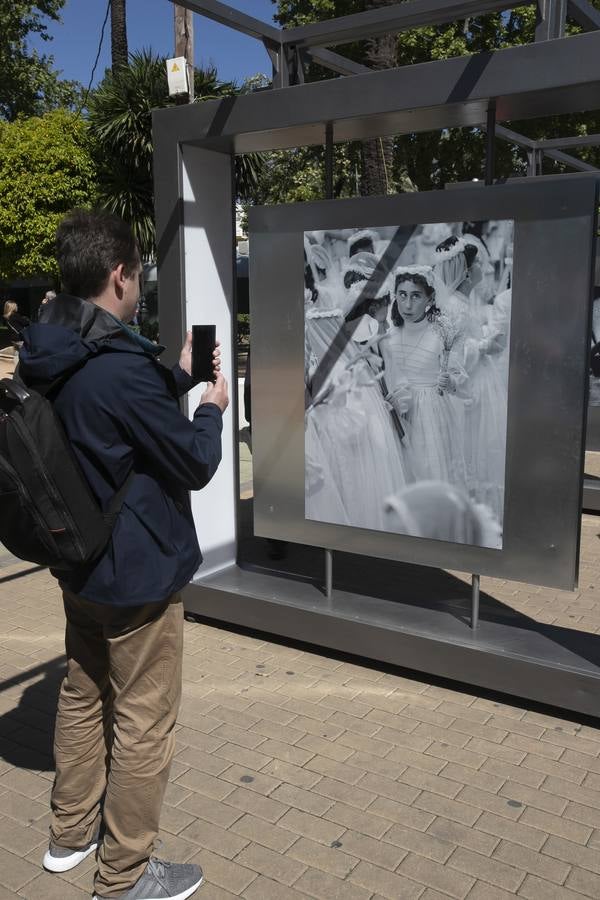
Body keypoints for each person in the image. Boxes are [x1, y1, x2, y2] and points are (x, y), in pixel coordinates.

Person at [17, 209, 228, 900]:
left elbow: (100, 418)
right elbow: (194, 464)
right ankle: (126, 874)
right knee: (143, 721)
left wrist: (174, 376)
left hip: (76, 561)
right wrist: (212, 405)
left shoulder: (48, 349)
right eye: (137, 274)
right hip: (136, 570)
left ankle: (69, 835)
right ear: (119, 275)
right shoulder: (120, 366)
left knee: (82, 694)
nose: (138, 285)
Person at [381, 266, 469, 491]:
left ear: (430, 298)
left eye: (416, 296)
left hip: (431, 412)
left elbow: (461, 381)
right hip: (396, 415)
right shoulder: (387, 337)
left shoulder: (439, 333)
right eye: (402, 295)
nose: (407, 305)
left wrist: (450, 383)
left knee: (431, 470)